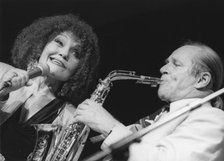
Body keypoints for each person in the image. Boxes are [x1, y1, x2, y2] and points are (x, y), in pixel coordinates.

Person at [73, 42, 224, 161]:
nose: (163, 68)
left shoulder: (213, 118)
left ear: (202, 80)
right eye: (166, 62)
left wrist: (110, 126)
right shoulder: (163, 116)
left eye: (176, 64)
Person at [0, 13, 100, 161]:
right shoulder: (2, 72)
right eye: (59, 42)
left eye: (76, 53)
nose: (64, 53)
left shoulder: (71, 119)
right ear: (41, 46)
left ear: (79, 69)